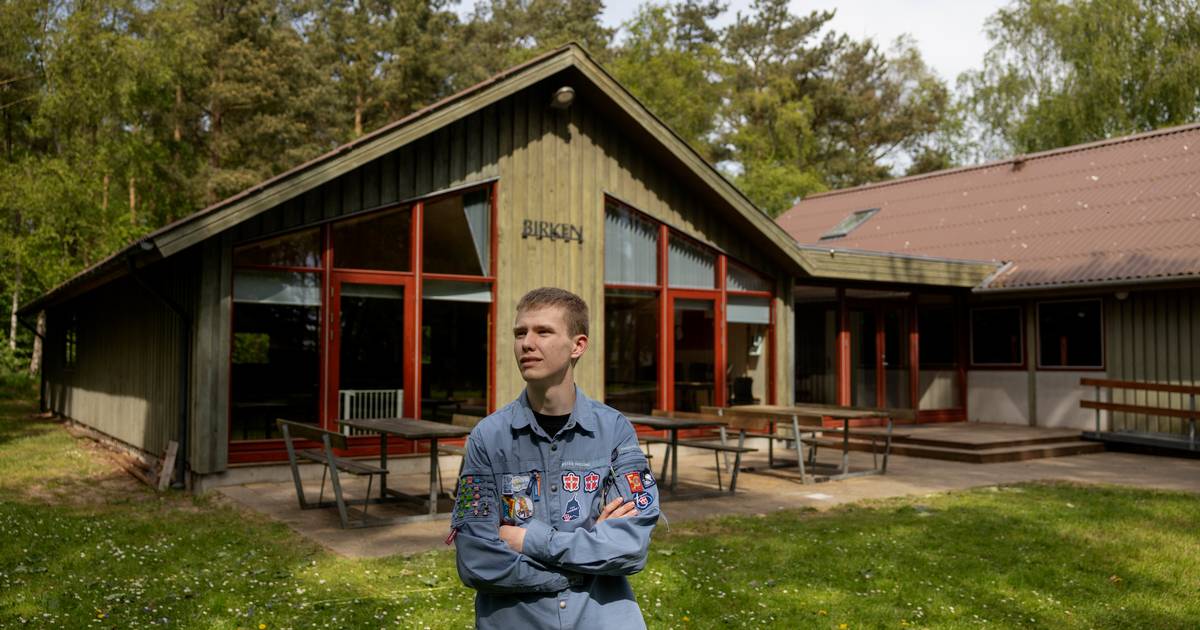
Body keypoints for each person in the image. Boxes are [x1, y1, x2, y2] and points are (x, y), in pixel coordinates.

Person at [450, 287, 660, 629]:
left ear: (578, 345)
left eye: (543, 332)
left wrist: (529, 541)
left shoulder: (614, 431)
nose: (527, 343)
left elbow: (630, 548)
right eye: (520, 333)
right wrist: (583, 563)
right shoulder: (488, 438)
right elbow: (477, 560)